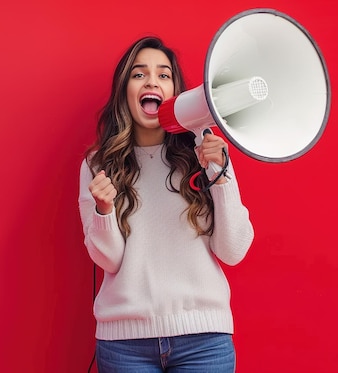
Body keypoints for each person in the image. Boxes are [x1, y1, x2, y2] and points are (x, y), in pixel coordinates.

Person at [78, 36, 254, 372]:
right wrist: (104, 210)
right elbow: (109, 260)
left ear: (175, 92)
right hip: (124, 345)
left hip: (204, 342)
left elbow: (233, 250)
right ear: (125, 90)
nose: (152, 82)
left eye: (163, 75)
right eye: (139, 74)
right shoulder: (97, 163)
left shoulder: (205, 156)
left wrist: (220, 174)